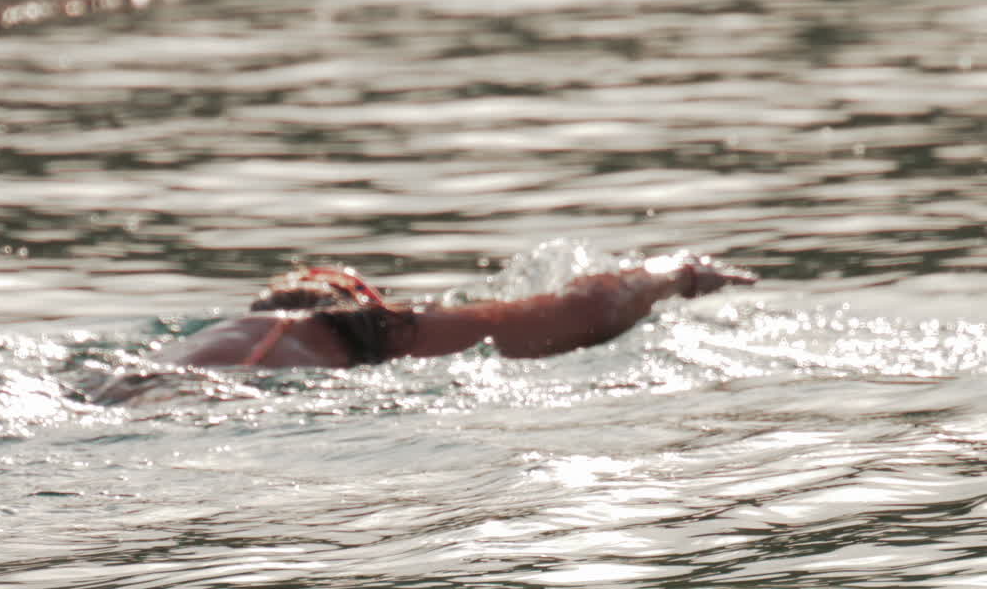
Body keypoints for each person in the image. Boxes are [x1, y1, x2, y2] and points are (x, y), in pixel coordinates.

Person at [112, 251, 756, 376]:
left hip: (122, 389)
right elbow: (585, 310)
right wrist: (679, 273)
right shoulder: (366, 330)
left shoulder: (210, 340)